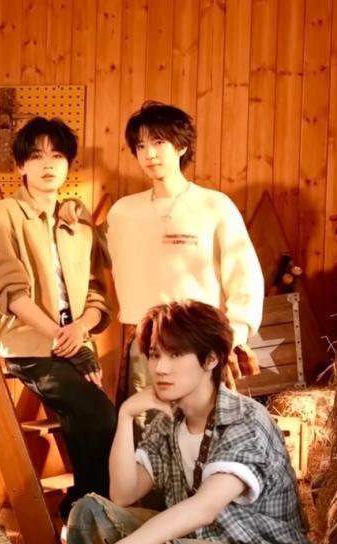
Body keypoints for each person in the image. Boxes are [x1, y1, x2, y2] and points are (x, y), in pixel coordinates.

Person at [65, 300, 308, 544]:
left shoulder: (245, 420)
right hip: (199, 543)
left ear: (211, 359)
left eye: (176, 354)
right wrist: (125, 415)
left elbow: (204, 509)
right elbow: (123, 494)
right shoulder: (168, 422)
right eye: (155, 355)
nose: (160, 368)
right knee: (89, 513)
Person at [0, 116, 117, 519]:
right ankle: (92, 507)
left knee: (95, 414)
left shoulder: (77, 221)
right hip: (30, 344)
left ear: (68, 163)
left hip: (75, 340)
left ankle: (84, 505)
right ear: (21, 164)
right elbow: (11, 293)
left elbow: (96, 291)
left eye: (57, 156)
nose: (48, 164)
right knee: (96, 411)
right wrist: (62, 336)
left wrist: (81, 330)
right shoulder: (3, 214)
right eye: (37, 156)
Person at [105, 101, 263, 396]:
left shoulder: (215, 206)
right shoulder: (122, 212)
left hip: (200, 342)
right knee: (144, 423)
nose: (149, 154)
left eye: (158, 142)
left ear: (181, 146)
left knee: (201, 423)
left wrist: (233, 335)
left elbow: (245, 278)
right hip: (143, 344)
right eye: (141, 146)